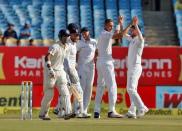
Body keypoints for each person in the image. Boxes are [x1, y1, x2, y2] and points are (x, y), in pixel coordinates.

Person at [94, 16, 124, 118]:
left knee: (100, 87)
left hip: (101, 61)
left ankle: (96, 111)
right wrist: (119, 23)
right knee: (112, 86)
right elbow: (118, 35)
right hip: (106, 62)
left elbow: (117, 40)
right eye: (110, 26)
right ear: (105, 25)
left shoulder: (103, 35)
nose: (111, 27)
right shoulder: (105, 33)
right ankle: (112, 111)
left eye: (112, 26)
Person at [39, 29, 72, 120]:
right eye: (65, 36)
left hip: (60, 71)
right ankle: (43, 113)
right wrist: (49, 68)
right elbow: (47, 56)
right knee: (49, 94)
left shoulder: (67, 47)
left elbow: (64, 61)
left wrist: (67, 75)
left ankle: (68, 112)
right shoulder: (55, 46)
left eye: (68, 36)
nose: (66, 38)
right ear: (60, 37)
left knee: (65, 92)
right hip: (51, 71)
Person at [123, 17, 148, 119]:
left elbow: (141, 37)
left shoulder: (140, 40)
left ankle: (142, 107)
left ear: (137, 31)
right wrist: (128, 24)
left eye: (133, 30)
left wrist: (136, 25)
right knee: (132, 89)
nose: (132, 31)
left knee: (130, 89)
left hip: (136, 67)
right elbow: (123, 34)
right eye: (132, 29)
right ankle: (132, 111)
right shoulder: (132, 39)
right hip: (131, 68)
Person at [77, 27, 97, 116]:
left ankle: (84, 110)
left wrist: (96, 58)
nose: (85, 34)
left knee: (89, 89)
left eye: (86, 32)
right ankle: (77, 110)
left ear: (89, 32)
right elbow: (75, 53)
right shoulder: (79, 43)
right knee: (81, 89)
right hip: (81, 67)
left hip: (91, 68)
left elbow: (96, 52)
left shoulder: (94, 41)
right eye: (83, 33)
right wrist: (76, 65)